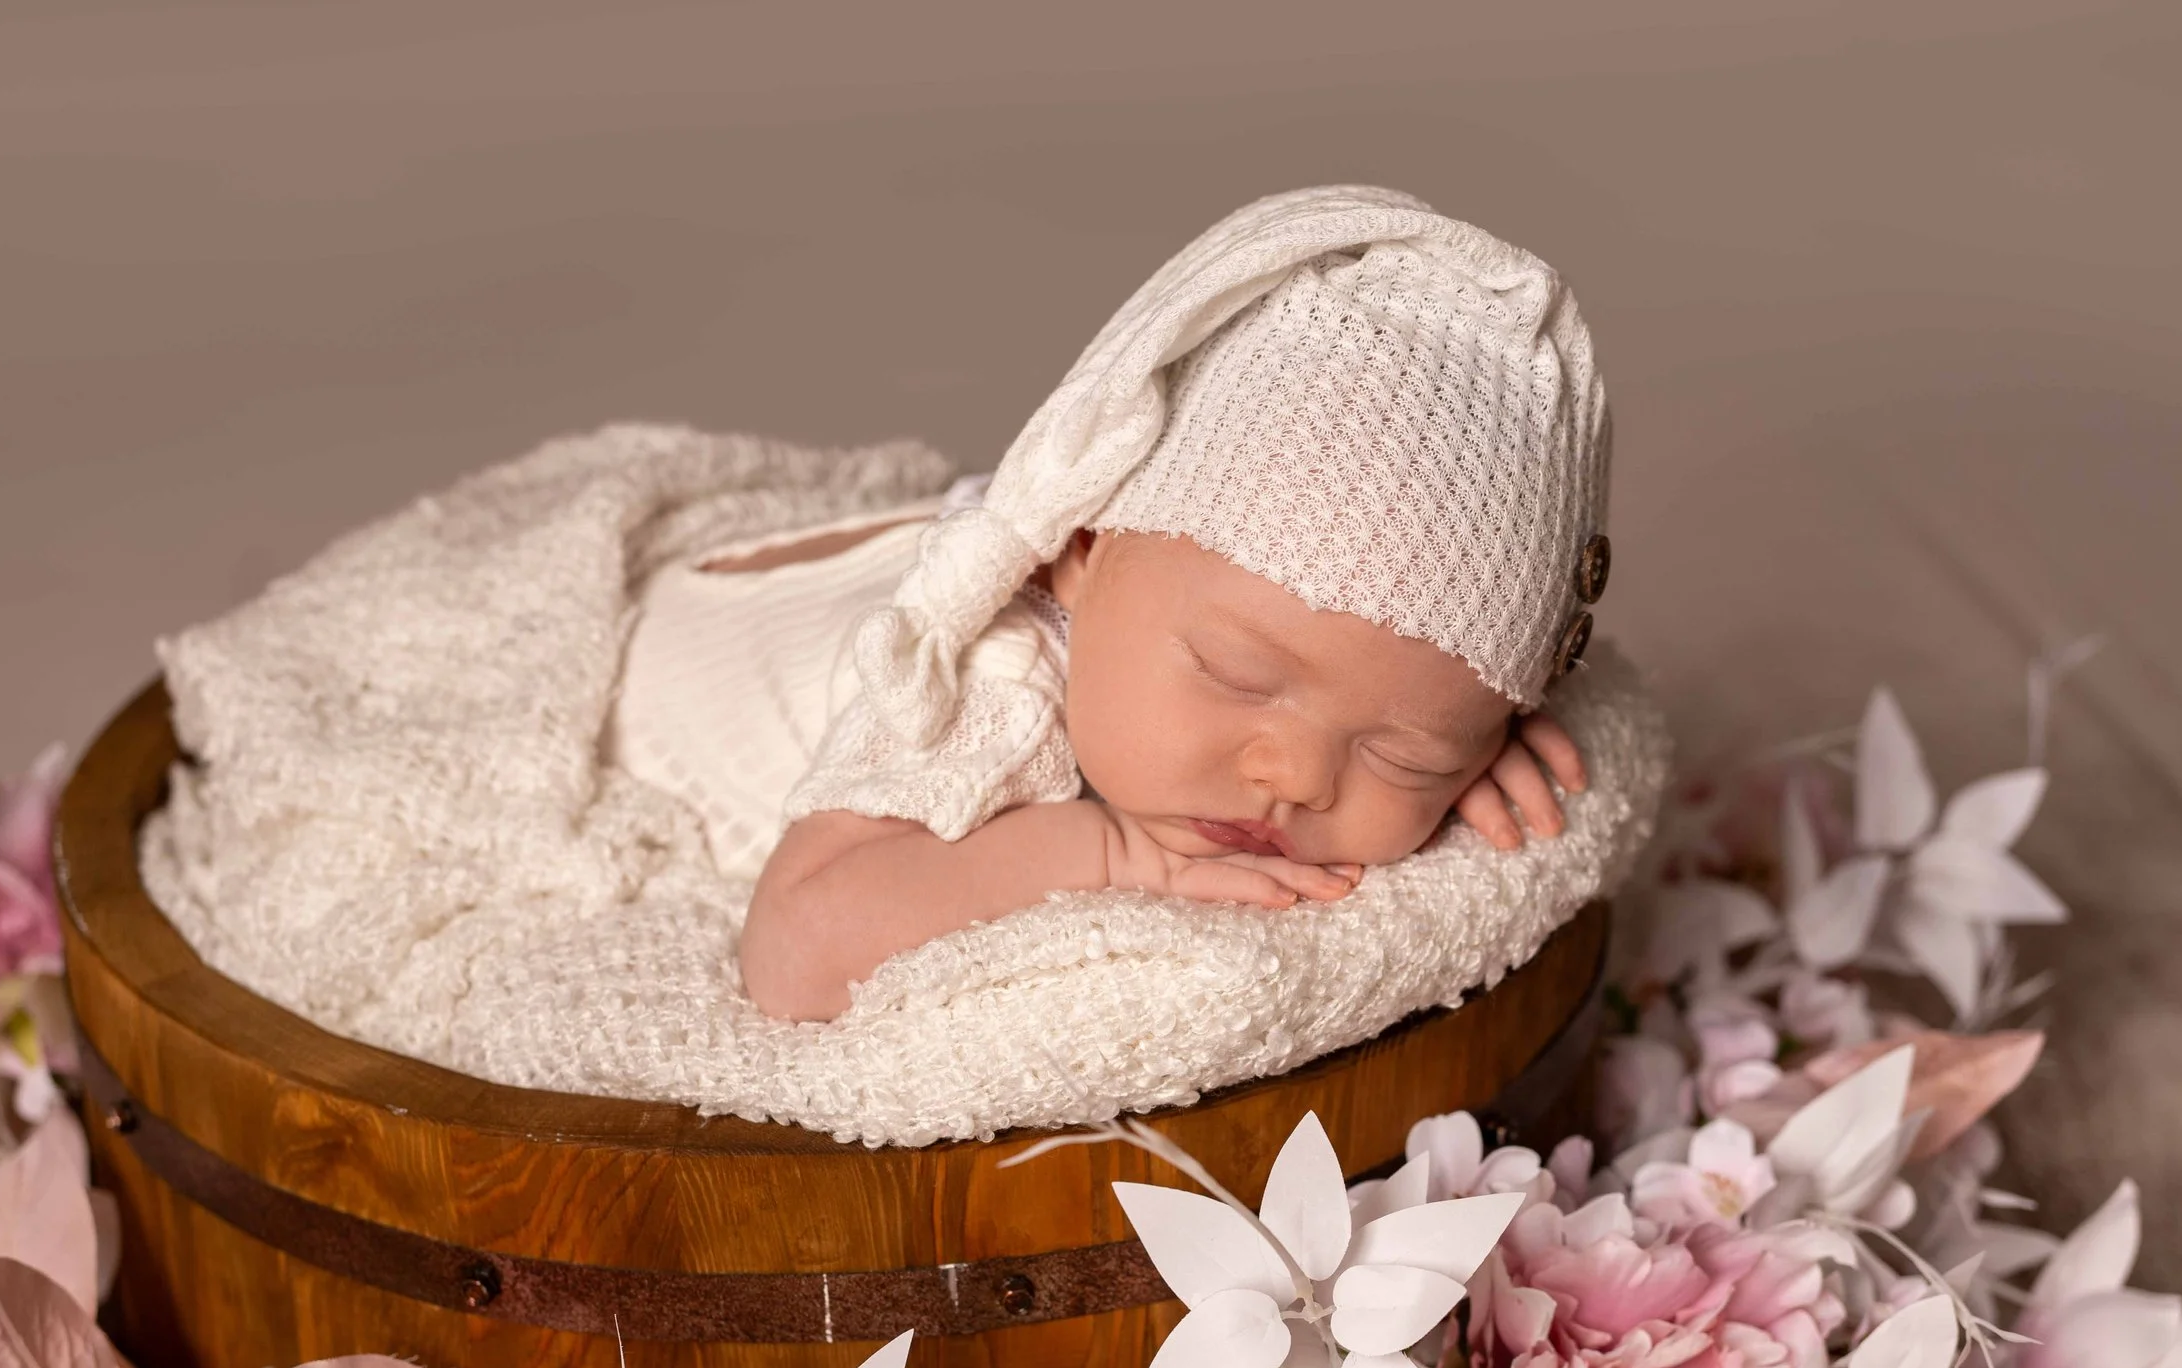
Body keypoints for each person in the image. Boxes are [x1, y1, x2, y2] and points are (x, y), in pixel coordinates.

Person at [609, 187, 1609, 1021]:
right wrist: (1114, 853)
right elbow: (796, 948)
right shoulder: (987, 688)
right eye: (1234, 674)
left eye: (1400, 751)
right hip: (668, 652)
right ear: (1078, 550)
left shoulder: (1216, 630)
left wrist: (1450, 750)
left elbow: (1385, 669)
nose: (1296, 774)